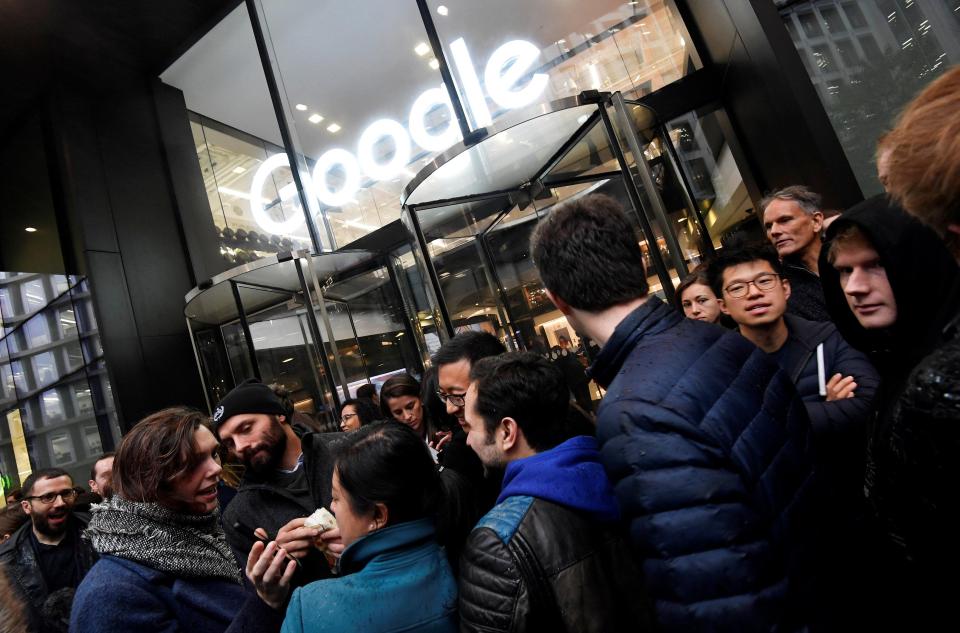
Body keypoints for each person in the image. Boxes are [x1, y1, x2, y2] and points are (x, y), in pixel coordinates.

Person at [530, 193, 819, 631]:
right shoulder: (720, 340)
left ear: (558, 301)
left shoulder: (633, 412)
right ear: (641, 266)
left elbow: (709, 593)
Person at [709, 245, 881, 627]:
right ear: (723, 305)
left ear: (785, 288)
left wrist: (765, 421)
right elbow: (725, 441)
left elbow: (867, 403)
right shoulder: (720, 369)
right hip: (781, 537)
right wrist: (824, 405)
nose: (754, 293)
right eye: (738, 288)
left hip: (850, 513)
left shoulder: (828, 338)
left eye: (764, 281)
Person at [820, 194, 958, 627]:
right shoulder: (896, 357)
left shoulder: (944, 374)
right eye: (844, 270)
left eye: (874, 264)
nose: (855, 287)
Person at [458, 352, 652, 632]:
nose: (467, 440)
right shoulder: (623, 478)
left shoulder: (496, 542)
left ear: (507, 432)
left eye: (471, 426)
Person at [70, 407, 290, 633]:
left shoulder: (210, 535)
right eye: (193, 462)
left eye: (214, 453)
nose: (216, 468)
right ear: (149, 478)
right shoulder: (110, 595)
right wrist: (265, 602)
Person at [276, 422, 457, 633]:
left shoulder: (309, 607)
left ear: (378, 515)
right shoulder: (463, 559)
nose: (332, 507)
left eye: (336, 497)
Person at [214, 379, 343, 585]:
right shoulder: (240, 516)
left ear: (279, 414)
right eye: (229, 442)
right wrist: (278, 563)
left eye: (246, 428)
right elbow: (264, 597)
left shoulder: (347, 451)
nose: (239, 447)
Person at [0, 468, 97, 632]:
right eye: (48, 497)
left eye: (66, 493)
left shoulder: (102, 532)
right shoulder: (7, 559)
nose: (60, 503)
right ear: (26, 506)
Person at [761, 185, 832, 321]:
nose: (774, 231)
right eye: (769, 226)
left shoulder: (852, 260)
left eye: (785, 220)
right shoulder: (778, 286)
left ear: (816, 221)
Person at [379, 374, 430, 442]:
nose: (407, 417)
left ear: (421, 399)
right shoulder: (393, 444)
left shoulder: (444, 428)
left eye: (410, 407)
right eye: (398, 412)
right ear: (391, 415)